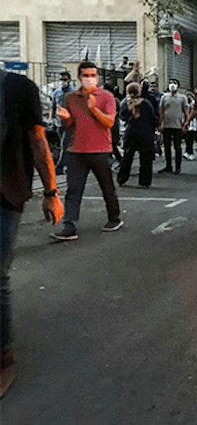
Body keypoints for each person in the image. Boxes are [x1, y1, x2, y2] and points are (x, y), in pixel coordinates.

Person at [1, 70, 64, 398]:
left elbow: (38, 142)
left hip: (5, 194)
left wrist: (51, 192)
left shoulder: (17, 88)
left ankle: (3, 355)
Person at [51, 61, 123, 240]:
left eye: (93, 75)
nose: (90, 79)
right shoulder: (71, 98)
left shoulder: (106, 97)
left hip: (100, 150)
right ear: (79, 77)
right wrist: (66, 119)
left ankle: (114, 217)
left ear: (98, 77)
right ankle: (69, 225)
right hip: (76, 150)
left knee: (107, 187)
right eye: (86, 75)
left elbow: (109, 122)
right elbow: (69, 125)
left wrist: (93, 109)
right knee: (73, 190)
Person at [117, 82, 157, 188]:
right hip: (145, 132)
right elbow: (153, 118)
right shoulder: (146, 103)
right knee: (146, 158)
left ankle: (122, 178)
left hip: (131, 131)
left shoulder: (126, 103)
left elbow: (122, 116)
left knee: (127, 156)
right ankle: (145, 181)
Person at [158, 78, 190, 174]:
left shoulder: (182, 98)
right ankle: (168, 166)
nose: (172, 85)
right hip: (167, 125)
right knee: (167, 146)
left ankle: (178, 167)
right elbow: (161, 111)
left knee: (177, 147)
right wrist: (161, 123)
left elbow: (186, 111)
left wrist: (186, 123)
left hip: (178, 125)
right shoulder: (164, 97)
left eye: (174, 83)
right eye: (171, 83)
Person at [51, 71, 75, 175]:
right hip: (58, 123)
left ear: (69, 80)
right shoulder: (56, 93)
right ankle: (69, 165)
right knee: (64, 146)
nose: (62, 82)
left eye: (64, 80)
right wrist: (51, 119)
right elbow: (53, 107)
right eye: (61, 79)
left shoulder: (73, 93)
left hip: (69, 124)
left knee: (64, 144)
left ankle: (59, 168)